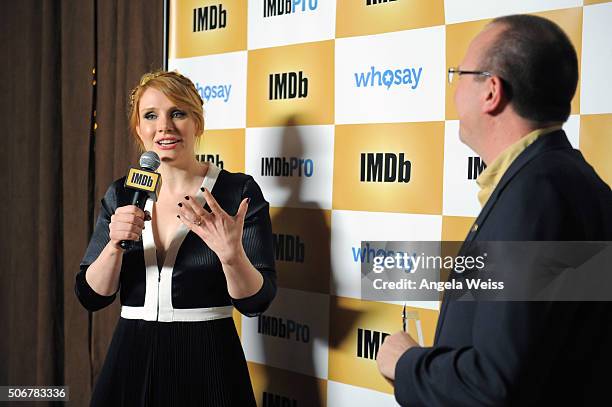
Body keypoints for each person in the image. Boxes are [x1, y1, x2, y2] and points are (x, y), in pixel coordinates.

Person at [376, 14, 612, 406]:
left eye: (459, 74)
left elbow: (495, 385)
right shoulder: (568, 180)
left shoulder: (535, 197)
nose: (453, 90)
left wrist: (407, 364)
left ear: (491, 91)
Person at [75, 70, 276, 406]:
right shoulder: (123, 192)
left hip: (208, 358)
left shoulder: (235, 191)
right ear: (139, 129)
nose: (164, 126)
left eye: (177, 113)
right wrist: (114, 245)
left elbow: (257, 302)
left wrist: (231, 257)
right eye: (151, 116)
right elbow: (91, 296)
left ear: (197, 122)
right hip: (131, 356)